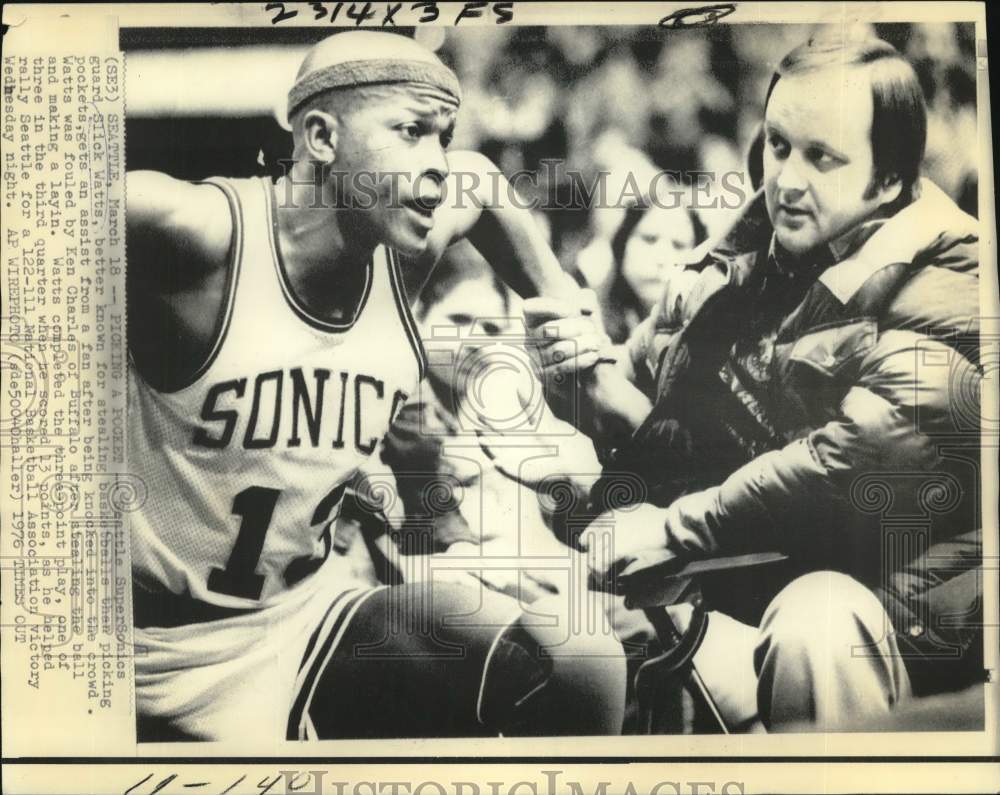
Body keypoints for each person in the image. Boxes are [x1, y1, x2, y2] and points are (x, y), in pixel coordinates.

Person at [126, 30, 625, 743]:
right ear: (321, 136)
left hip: (301, 619)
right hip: (138, 647)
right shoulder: (201, 235)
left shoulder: (404, 251)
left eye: (441, 137)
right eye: (410, 131)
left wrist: (564, 309)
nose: (436, 165)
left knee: (578, 660)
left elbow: (481, 184)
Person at [525, 32, 983, 731]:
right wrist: (580, 383)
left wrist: (676, 530)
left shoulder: (953, 277)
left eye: (822, 157)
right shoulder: (739, 265)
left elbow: (848, 466)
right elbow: (656, 416)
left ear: (888, 180)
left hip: (916, 636)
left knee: (816, 617)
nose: (787, 179)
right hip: (745, 593)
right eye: (777, 145)